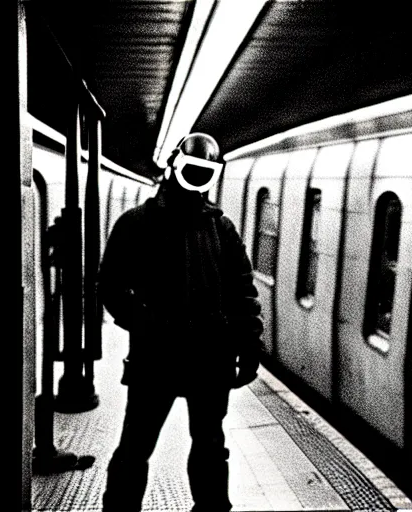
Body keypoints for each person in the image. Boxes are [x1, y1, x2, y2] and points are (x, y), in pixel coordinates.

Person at [99, 132, 263, 511]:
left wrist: (249, 345)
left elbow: (242, 293)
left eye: (204, 173)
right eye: (192, 170)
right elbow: (110, 285)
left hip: (209, 361)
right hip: (155, 360)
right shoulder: (136, 223)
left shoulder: (222, 229)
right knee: (135, 449)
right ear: (174, 167)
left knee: (208, 448)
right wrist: (144, 322)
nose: (196, 180)